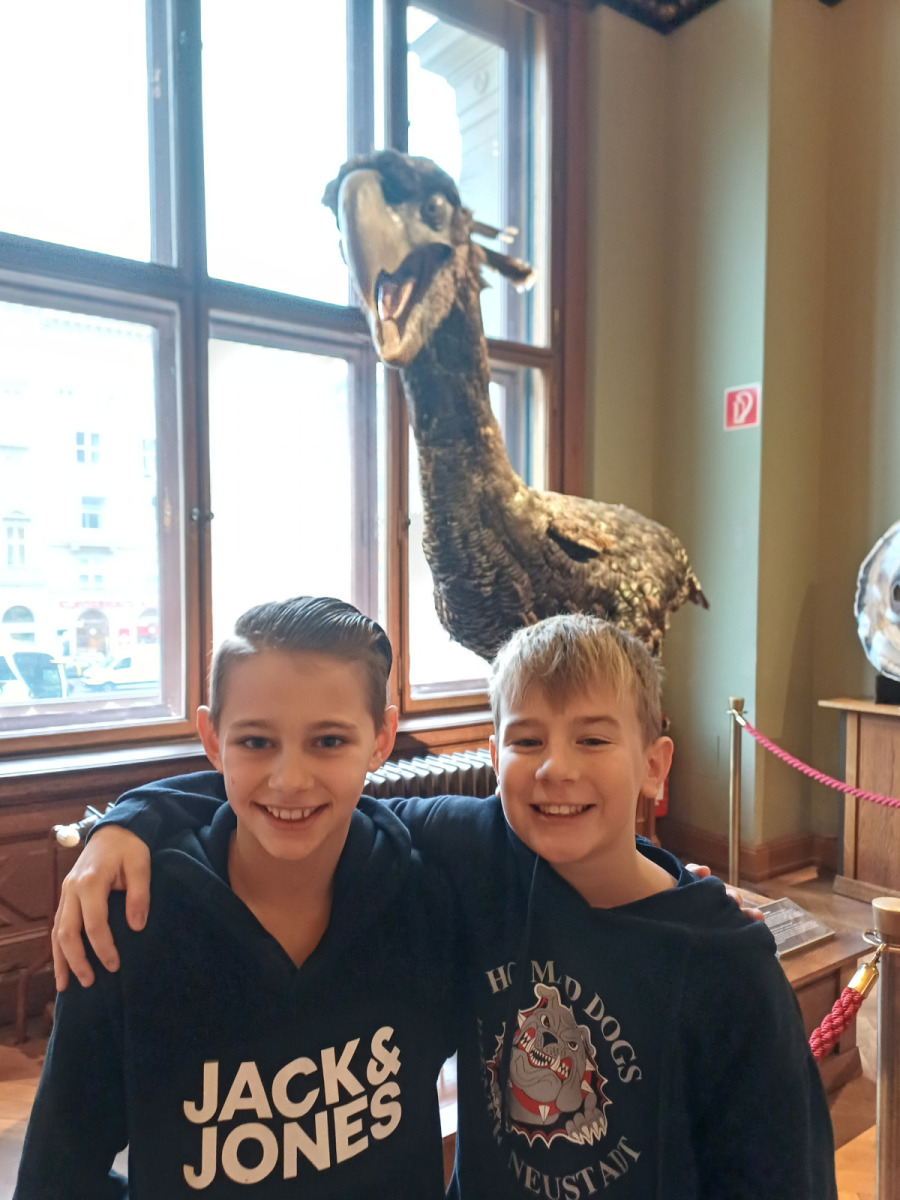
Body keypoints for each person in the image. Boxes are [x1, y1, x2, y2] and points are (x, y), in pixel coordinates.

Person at [52, 614, 836, 1199]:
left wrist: (706, 919)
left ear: (655, 766)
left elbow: (780, 1172)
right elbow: (308, 798)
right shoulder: (468, 855)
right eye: (527, 741)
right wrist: (130, 819)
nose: (556, 769)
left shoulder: (724, 964)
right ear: (495, 759)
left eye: (594, 740)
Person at [15, 597, 458, 1200]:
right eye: (256, 741)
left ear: (381, 738)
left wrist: (138, 811)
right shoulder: (131, 923)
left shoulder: (426, 899)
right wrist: (133, 816)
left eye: (329, 740)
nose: (290, 780)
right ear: (211, 738)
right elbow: (59, 1173)